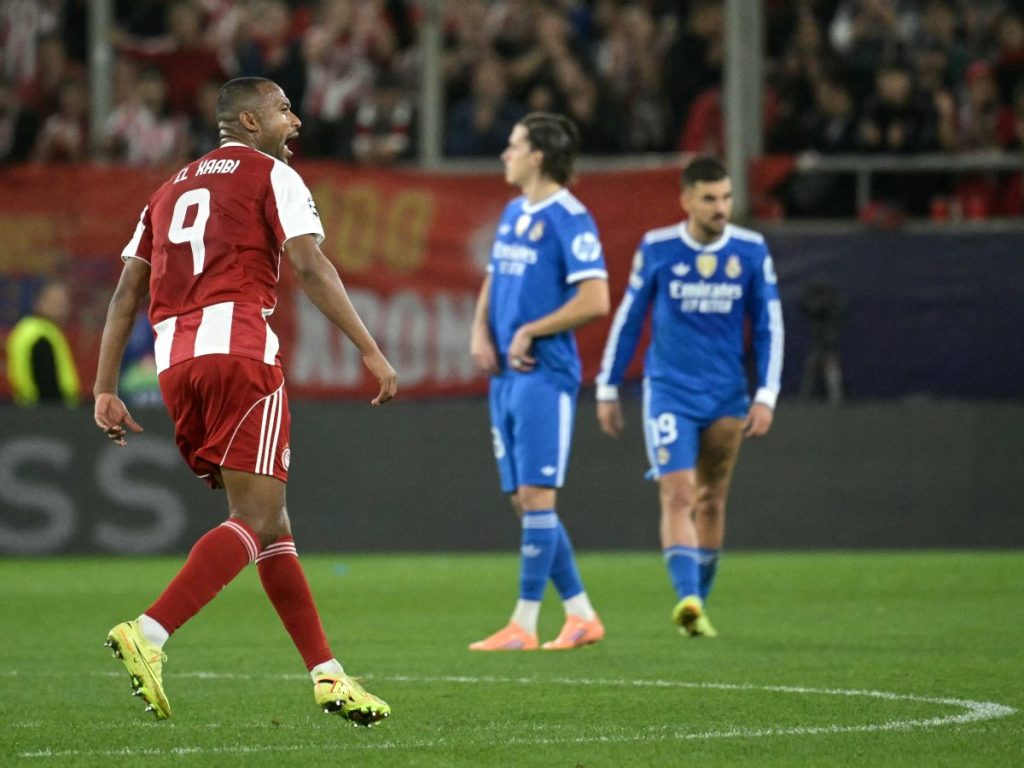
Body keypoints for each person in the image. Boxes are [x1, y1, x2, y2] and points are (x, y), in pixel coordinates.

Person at [93, 76, 397, 725]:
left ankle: (327, 674)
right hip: (238, 352)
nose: (297, 122)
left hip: (177, 365)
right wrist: (368, 348)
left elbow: (126, 294)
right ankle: (149, 633)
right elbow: (311, 265)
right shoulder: (271, 176)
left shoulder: (167, 190)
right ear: (250, 122)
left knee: (270, 523)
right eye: (285, 109)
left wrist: (105, 386)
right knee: (256, 517)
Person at [595, 156, 784, 638]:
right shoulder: (658, 248)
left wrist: (766, 394)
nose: (721, 207)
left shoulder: (751, 249)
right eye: (710, 198)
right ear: (686, 201)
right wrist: (607, 385)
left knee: (713, 500)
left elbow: (768, 327)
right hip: (669, 392)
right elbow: (629, 319)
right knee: (677, 493)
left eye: (725, 197)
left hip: (727, 395)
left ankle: (699, 604)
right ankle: (688, 599)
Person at [468, 112, 610, 651]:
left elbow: (596, 298)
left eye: (514, 145)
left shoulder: (569, 217)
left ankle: (523, 625)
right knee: (525, 501)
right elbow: (494, 277)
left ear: (540, 156)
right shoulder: (512, 212)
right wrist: (481, 328)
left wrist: (532, 329)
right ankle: (580, 615)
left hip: (544, 374)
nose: (505, 154)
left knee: (536, 495)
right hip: (505, 375)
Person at [6, 278, 81, 406]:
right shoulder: (40, 335)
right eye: (55, 300)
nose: (61, 306)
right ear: (38, 301)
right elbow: (47, 384)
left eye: (63, 301)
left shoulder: (27, 330)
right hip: (48, 414)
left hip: (31, 410)